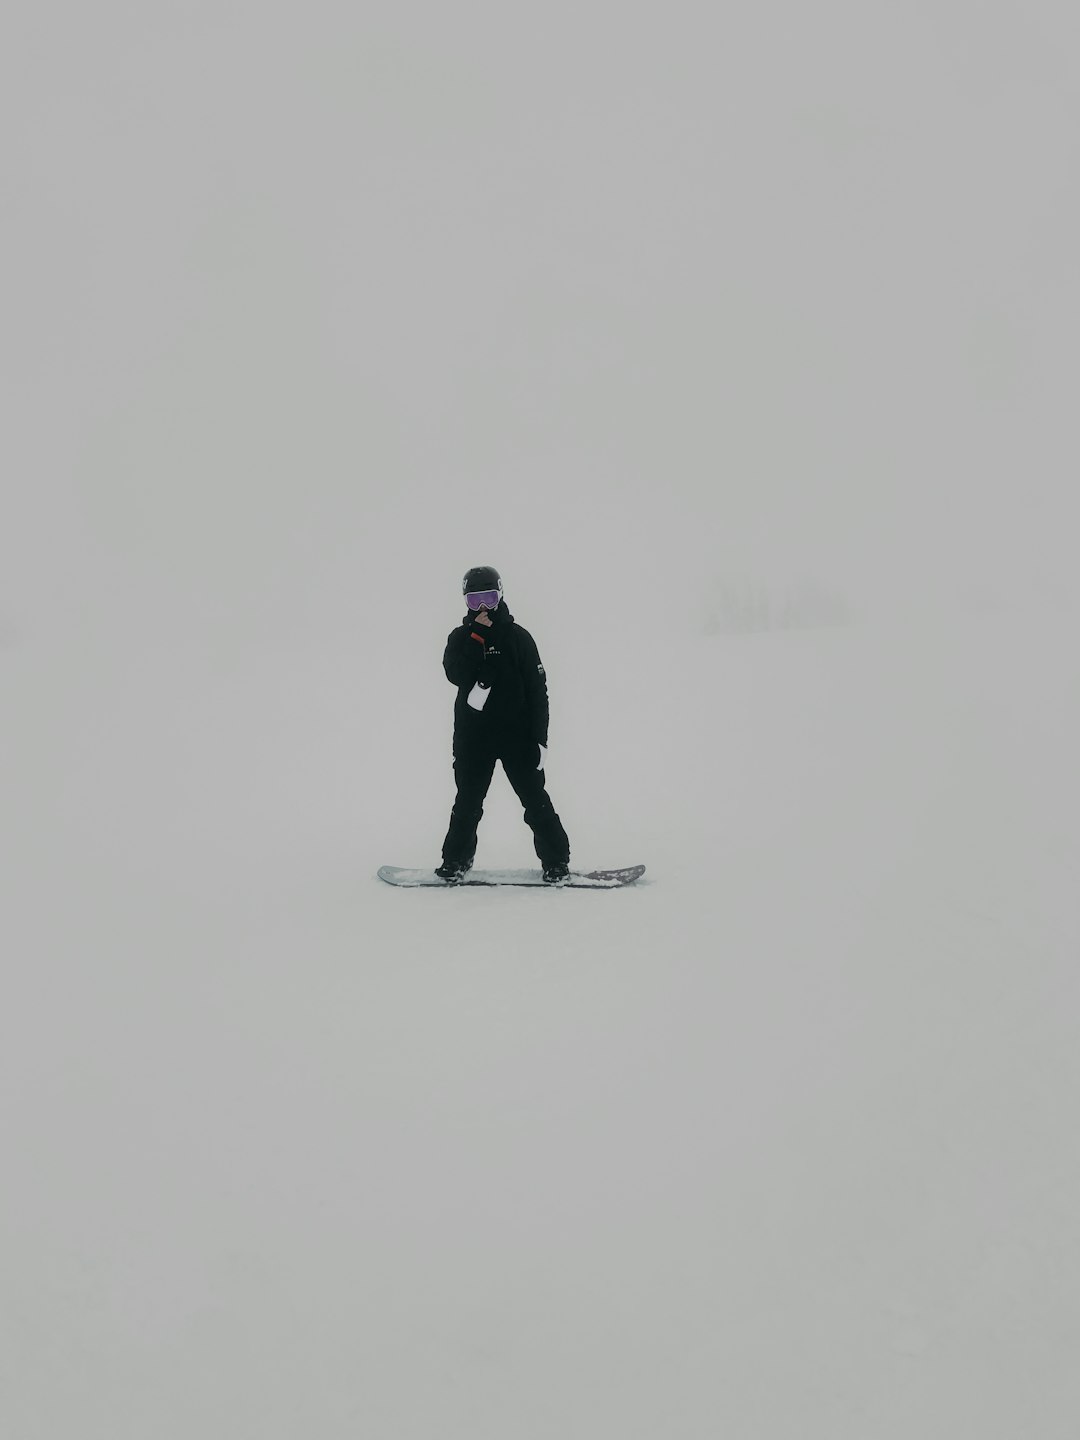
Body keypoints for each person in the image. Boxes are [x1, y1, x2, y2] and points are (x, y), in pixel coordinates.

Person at [437, 566, 571, 884]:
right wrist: (476, 637)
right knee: (467, 804)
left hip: (518, 738)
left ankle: (557, 862)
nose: (483, 607)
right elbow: (455, 674)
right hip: (473, 739)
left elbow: (539, 692)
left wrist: (540, 738)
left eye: (489, 598)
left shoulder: (518, 638)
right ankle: (456, 861)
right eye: (475, 600)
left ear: (500, 595)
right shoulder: (460, 638)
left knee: (536, 802)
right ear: (465, 601)